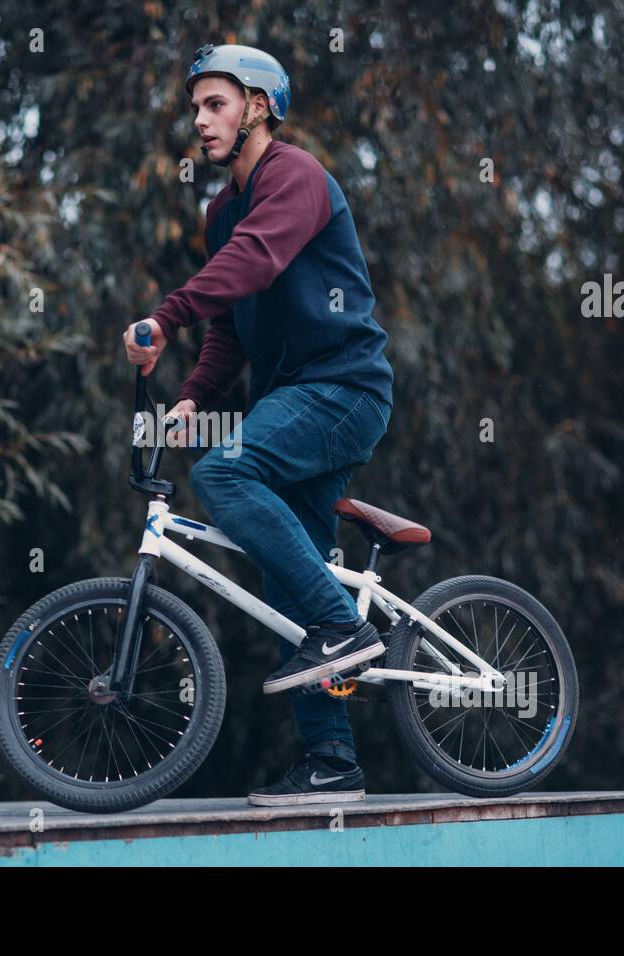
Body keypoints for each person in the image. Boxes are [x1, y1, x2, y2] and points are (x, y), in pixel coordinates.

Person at [122, 43, 394, 806]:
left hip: (343, 389)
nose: (199, 120)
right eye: (196, 107)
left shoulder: (295, 178)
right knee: (290, 580)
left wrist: (167, 314)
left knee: (224, 471)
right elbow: (235, 328)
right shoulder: (222, 211)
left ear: (260, 109)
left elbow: (257, 263)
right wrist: (193, 398)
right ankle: (334, 762)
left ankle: (347, 630)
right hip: (293, 397)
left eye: (216, 104)